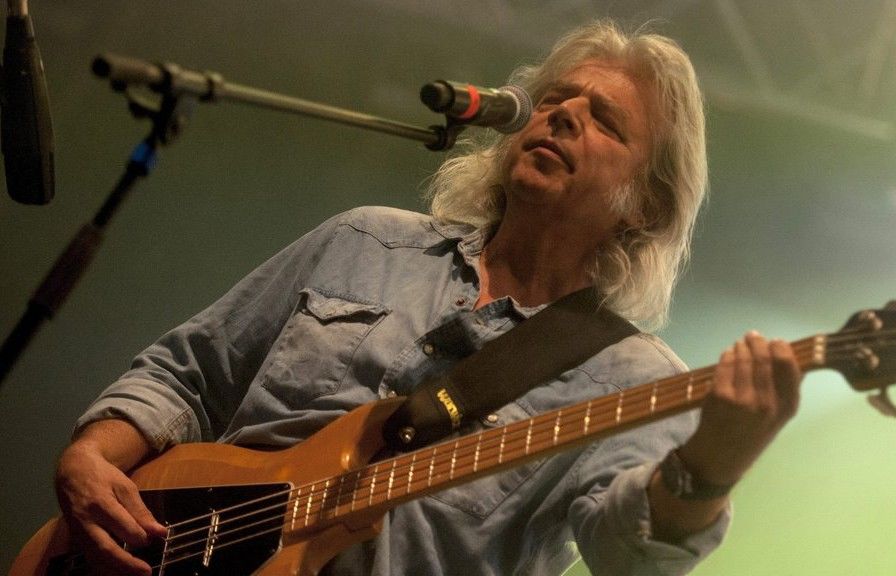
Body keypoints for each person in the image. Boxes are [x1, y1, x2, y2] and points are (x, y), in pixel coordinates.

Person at [53, 21, 802, 576]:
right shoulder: (366, 240)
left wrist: (714, 465)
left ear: (647, 204)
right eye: (553, 98)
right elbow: (187, 374)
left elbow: (628, 557)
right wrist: (90, 457)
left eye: (605, 120)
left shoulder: (633, 379)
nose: (562, 114)